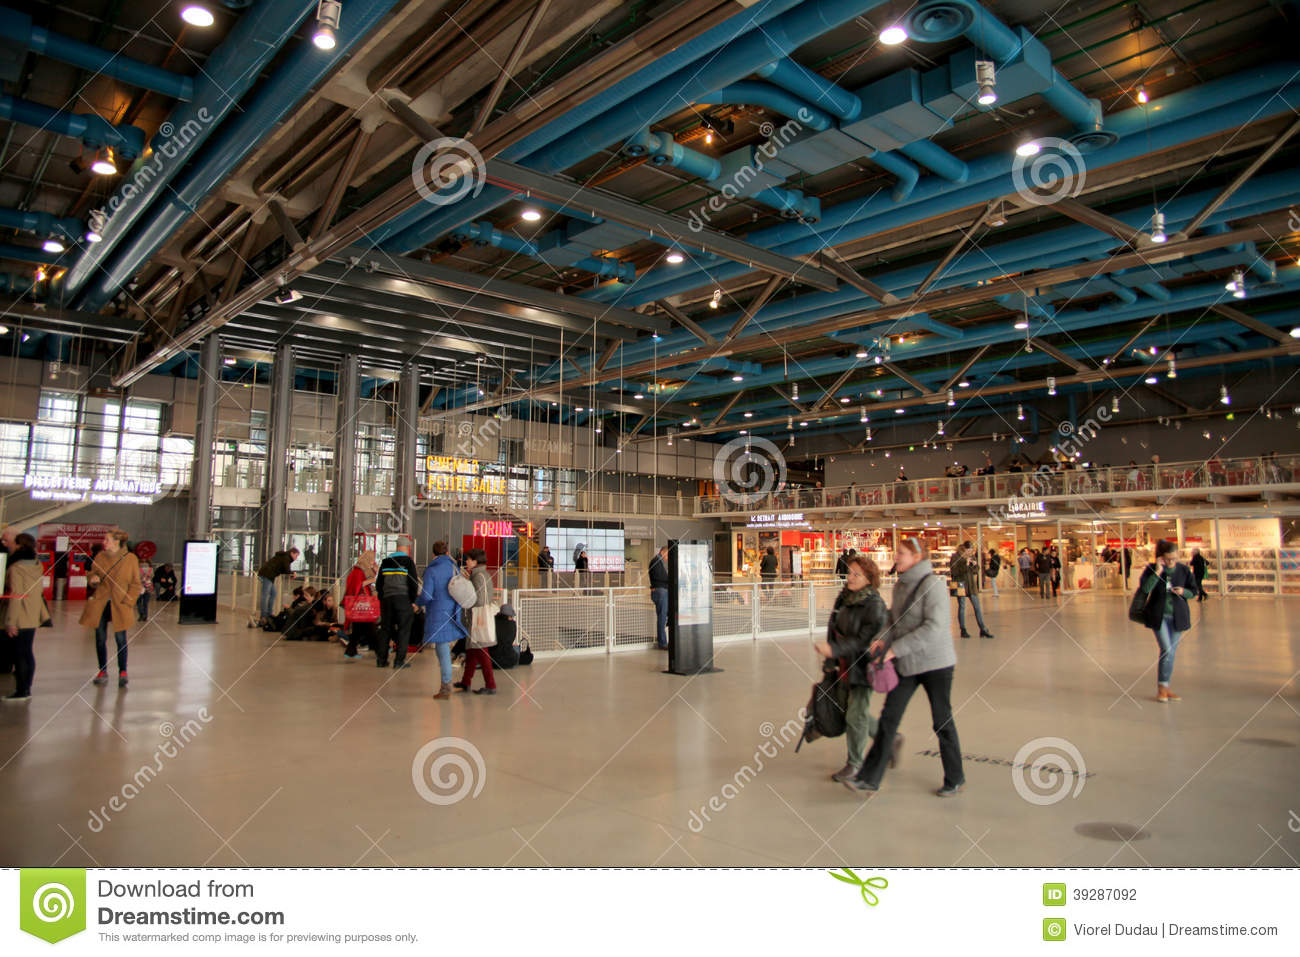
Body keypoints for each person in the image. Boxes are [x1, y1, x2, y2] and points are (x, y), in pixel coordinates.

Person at [845, 538, 964, 797]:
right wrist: (882, 637)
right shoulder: (900, 586)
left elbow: (934, 628)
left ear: (917, 557)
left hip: (936, 664)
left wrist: (895, 649)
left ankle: (955, 777)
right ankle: (868, 778)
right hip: (907, 664)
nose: (896, 557)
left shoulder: (933, 585)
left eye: (902, 553)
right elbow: (892, 620)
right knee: (889, 718)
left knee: (942, 721)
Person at [814, 554, 898, 783]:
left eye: (855, 574)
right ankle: (890, 738)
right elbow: (834, 627)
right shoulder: (844, 598)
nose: (849, 577)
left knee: (855, 714)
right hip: (842, 664)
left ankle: (855, 764)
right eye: (849, 572)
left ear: (869, 579)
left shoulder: (875, 605)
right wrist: (831, 657)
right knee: (849, 711)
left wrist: (836, 650)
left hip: (862, 667)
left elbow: (865, 641)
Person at [1135, 540, 1196, 702]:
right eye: (1168, 559)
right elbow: (1145, 589)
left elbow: (1194, 591)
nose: (1171, 562)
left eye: (1174, 559)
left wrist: (1184, 592)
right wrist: (1157, 572)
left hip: (1178, 616)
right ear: (1160, 558)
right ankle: (1162, 688)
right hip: (1158, 616)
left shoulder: (1183, 570)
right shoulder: (1152, 570)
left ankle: (1165, 687)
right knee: (1167, 650)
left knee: (1170, 653)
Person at [81, 529, 142, 688]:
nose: (104, 542)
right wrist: (93, 580)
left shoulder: (131, 559)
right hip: (101, 602)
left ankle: (123, 671)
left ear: (117, 542)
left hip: (120, 604)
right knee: (100, 638)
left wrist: (128, 602)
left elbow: (136, 584)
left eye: (107, 540)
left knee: (120, 639)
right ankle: (102, 670)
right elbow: (91, 575)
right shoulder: (100, 556)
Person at [3, 533, 49, 701]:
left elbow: (16, 595)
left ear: (19, 546)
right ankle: (27, 687)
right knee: (28, 651)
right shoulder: (36, 564)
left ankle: (21, 691)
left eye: (12, 544)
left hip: (20, 615)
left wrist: (11, 622)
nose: (9, 546)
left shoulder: (16, 568)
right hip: (33, 614)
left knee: (19, 653)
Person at [418, 541, 465, 699]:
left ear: (433, 554)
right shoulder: (454, 567)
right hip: (452, 610)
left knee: (443, 649)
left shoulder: (431, 570)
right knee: (442, 647)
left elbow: (427, 595)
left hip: (438, 612)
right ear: (446, 553)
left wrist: (417, 603)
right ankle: (447, 683)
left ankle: (446, 686)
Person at [457, 548, 497, 695]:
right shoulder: (482, 574)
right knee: (472, 650)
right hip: (479, 617)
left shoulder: (478, 576)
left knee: (480, 650)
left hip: (477, 618)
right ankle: (466, 681)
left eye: (468, 559)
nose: (466, 561)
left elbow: (478, 599)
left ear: (475, 561)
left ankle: (491, 685)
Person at [376, 541, 419, 669]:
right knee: (403, 630)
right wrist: (412, 600)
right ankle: (399, 661)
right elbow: (413, 583)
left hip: (387, 600)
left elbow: (379, 584)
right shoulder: (408, 562)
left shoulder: (385, 562)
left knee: (385, 629)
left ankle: (381, 660)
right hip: (403, 599)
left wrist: (382, 598)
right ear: (407, 548)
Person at [949, 541, 994, 639]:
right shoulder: (955, 556)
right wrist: (965, 564)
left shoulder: (972, 556)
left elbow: (976, 570)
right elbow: (954, 571)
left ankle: (983, 629)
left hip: (971, 585)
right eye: (969, 550)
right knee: (962, 607)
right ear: (964, 548)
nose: (971, 552)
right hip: (960, 584)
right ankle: (963, 630)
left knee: (977, 607)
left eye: (972, 550)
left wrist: (974, 565)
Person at [342, 550, 378, 660]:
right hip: (361, 604)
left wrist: (374, 572)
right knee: (369, 628)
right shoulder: (358, 572)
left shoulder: (359, 570)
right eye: (372, 559)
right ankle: (380, 650)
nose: (373, 562)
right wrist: (372, 579)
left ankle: (350, 650)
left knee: (358, 630)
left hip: (359, 605)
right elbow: (359, 585)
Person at [256, 546, 300, 627]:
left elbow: (283, 569)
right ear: (292, 553)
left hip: (268, 575)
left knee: (273, 594)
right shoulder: (286, 558)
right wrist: (293, 573)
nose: (296, 558)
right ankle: (263, 616)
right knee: (265, 596)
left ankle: (269, 614)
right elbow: (286, 570)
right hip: (267, 575)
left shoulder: (284, 557)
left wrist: (291, 573)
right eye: (296, 555)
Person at [648, 545, 670, 650]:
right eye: (667, 555)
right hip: (660, 592)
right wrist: (669, 578)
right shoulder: (656, 561)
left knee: (664, 616)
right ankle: (663, 643)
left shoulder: (658, 561)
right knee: (662, 617)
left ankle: (663, 641)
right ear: (663, 552)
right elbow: (659, 577)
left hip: (662, 591)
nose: (667, 558)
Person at [489, 604, 520, 671]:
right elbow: (511, 640)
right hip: (509, 660)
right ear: (509, 616)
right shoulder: (512, 624)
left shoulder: (493, 622)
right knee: (516, 647)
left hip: (493, 660)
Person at [136, 557, 154, 623]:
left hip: (140, 587)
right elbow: (152, 577)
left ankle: (141, 614)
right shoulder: (151, 569)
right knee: (145, 603)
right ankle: (145, 616)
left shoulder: (138, 569)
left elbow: (136, 578)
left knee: (138, 602)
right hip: (148, 587)